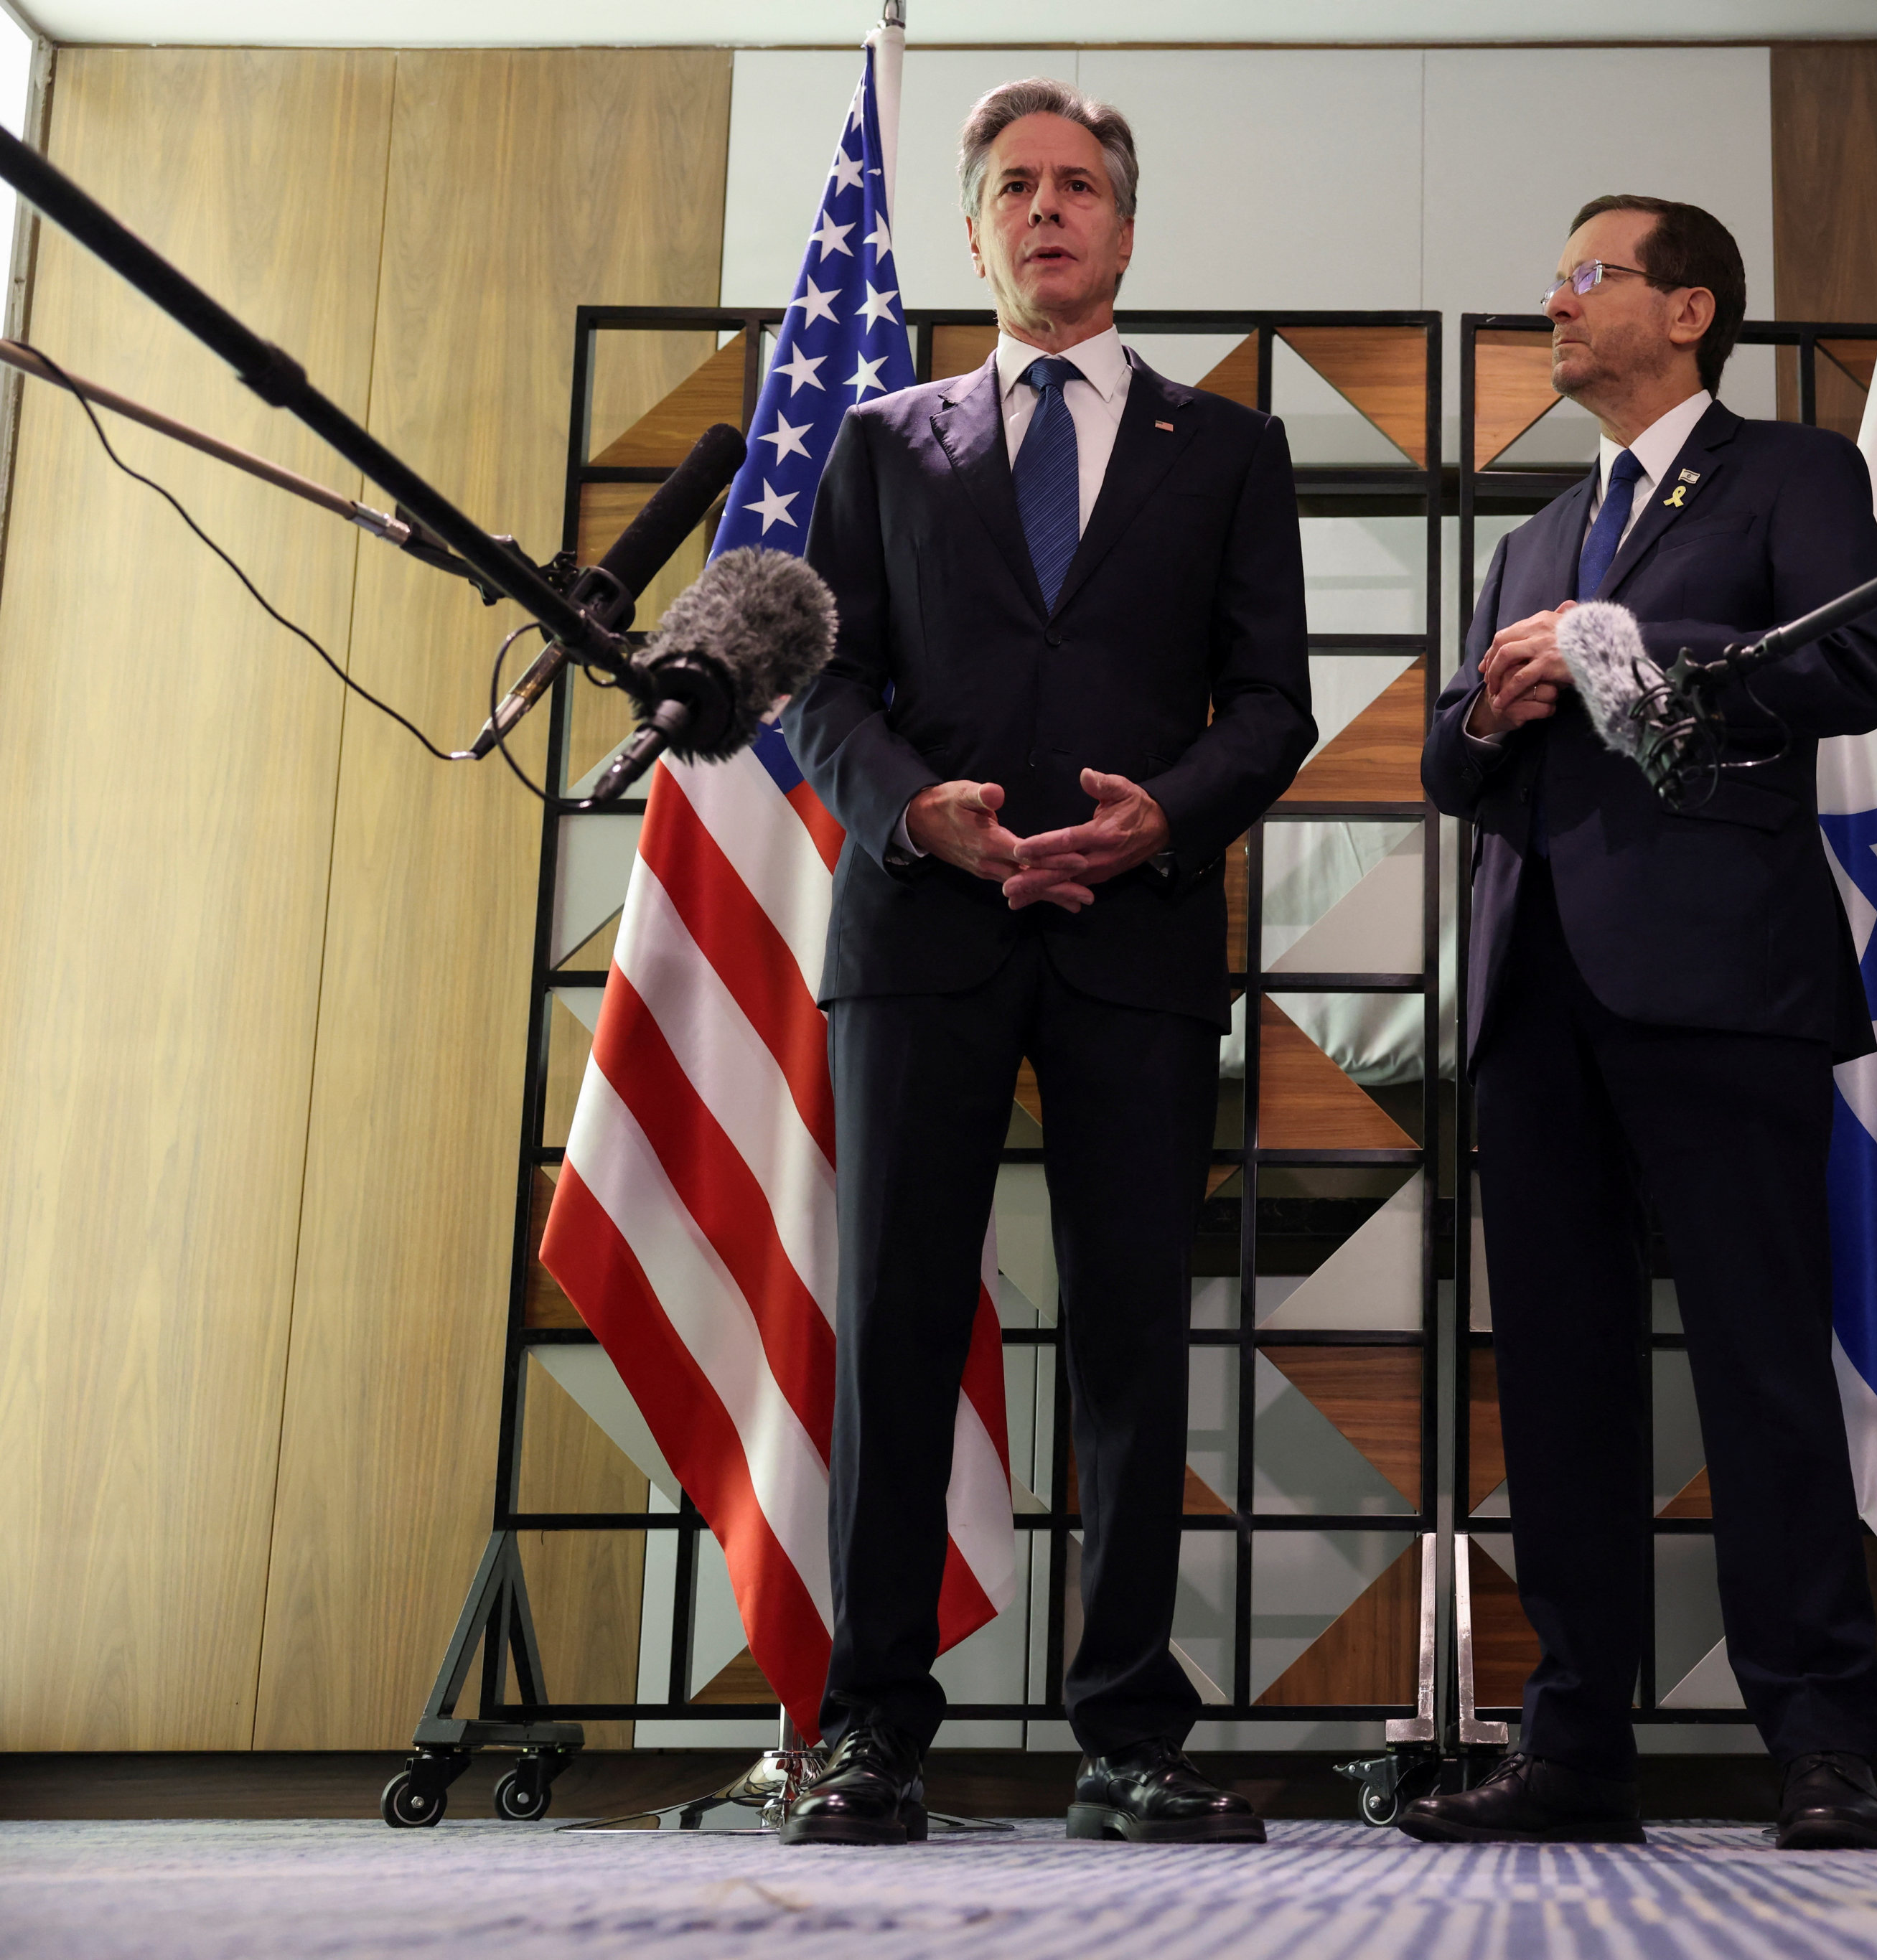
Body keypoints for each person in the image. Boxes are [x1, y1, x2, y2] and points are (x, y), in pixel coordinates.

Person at [777, 78, 1312, 1847]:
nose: (1049, 209)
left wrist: (1159, 818)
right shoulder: (879, 439)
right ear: (975, 229)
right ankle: (870, 1728)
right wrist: (906, 805)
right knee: (898, 1326)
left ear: (1127, 228)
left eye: (1080, 184)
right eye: (1015, 185)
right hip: (919, 929)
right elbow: (819, 680)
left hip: (1134, 936)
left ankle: (1127, 1733)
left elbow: (1274, 709)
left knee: (1134, 1344)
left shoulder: (1225, 447)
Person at [1400, 196, 1877, 1852]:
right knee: (1555, 1385)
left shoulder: (1791, 477)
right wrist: (1488, 701)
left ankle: (1822, 1743)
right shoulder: (1532, 533)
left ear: (1686, 311)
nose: (1551, 301)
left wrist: (1629, 644)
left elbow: (1850, 667)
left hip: (1721, 986)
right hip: (1535, 994)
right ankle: (1573, 1747)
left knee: (1760, 1365)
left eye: (1583, 276)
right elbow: (1447, 772)